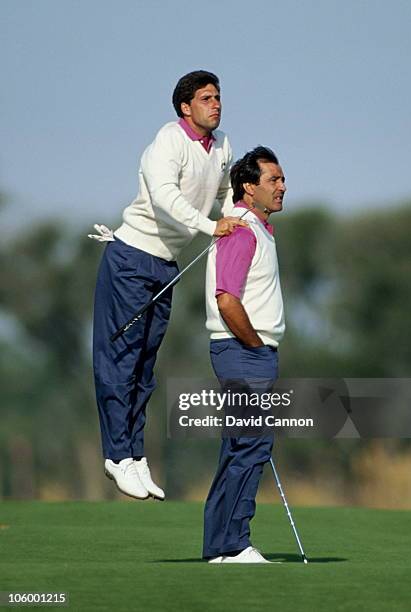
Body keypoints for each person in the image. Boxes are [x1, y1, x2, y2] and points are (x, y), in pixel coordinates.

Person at [91, 70, 247, 501]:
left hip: (164, 265)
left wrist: (242, 212)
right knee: (119, 360)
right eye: (206, 98)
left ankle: (135, 455)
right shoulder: (168, 141)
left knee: (145, 366)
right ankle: (116, 456)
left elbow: (225, 191)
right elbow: (165, 197)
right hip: (130, 257)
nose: (216, 104)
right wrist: (210, 225)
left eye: (218, 97)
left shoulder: (222, 147)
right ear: (185, 107)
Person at [203, 146, 286, 563]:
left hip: (246, 351)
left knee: (239, 446)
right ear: (249, 188)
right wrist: (255, 346)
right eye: (273, 180)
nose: (282, 187)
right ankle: (233, 544)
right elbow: (226, 300)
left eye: (282, 179)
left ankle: (221, 547)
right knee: (252, 446)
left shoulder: (257, 228)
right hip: (242, 350)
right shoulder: (243, 229)